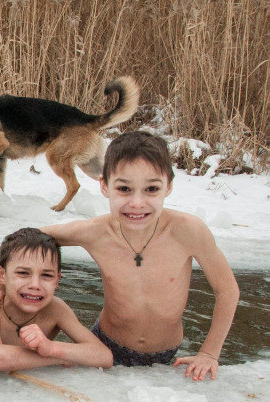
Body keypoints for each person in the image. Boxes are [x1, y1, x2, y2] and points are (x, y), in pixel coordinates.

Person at [42, 131, 239, 381]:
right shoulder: (95, 232)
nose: (137, 202)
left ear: (168, 187)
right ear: (104, 185)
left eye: (151, 189)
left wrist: (209, 353)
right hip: (104, 345)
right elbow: (24, 239)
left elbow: (227, 290)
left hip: (167, 352)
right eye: (124, 188)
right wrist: (1, 286)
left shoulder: (188, 231)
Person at [0, 228, 112, 371]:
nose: (35, 285)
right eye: (23, 273)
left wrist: (53, 348)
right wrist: (62, 357)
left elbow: (104, 356)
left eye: (47, 275)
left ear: (57, 280)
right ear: (1, 275)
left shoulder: (55, 309)